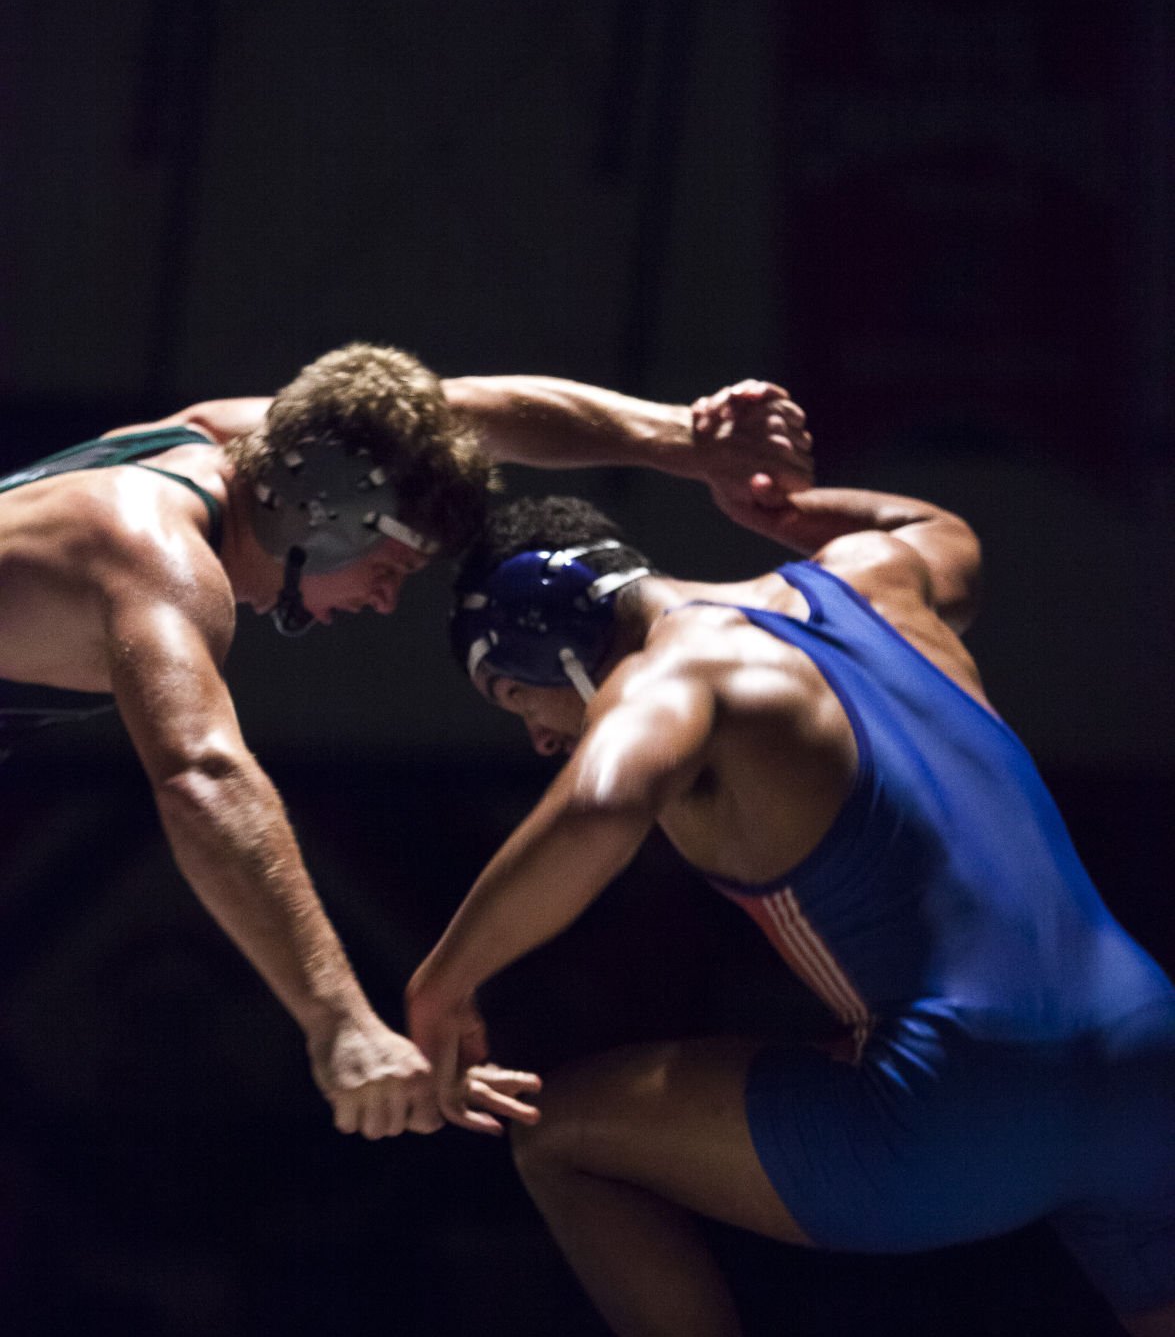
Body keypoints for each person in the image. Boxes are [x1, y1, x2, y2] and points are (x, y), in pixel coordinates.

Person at [406, 381, 1175, 1337]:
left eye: (516, 698)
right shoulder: (873, 578)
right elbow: (931, 525)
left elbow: (599, 803)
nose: (539, 734)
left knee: (554, 1136)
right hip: (1145, 1058)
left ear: (550, 636)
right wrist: (789, 515)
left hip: (960, 1105)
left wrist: (442, 980)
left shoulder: (675, 674)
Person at [0, 350, 811, 1145]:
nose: (384, 600)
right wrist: (340, 1021)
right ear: (321, 519)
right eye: (390, 564)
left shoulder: (232, 445)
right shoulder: (155, 555)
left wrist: (685, 439)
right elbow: (202, 777)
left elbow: (466, 408)